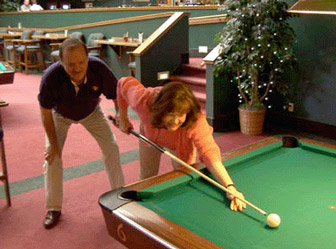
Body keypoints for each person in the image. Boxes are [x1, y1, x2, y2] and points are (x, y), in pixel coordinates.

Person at [116, 76, 247, 212]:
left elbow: (209, 152)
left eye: (181, 114)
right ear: (160, 110)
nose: (176, 120)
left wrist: (230, 186)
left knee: (184, 175)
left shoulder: (195, 120)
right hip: (151, 133)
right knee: (146, 175)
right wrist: (123, 117)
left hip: (180, 143)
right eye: (171, 114)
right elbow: (122, 83)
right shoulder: (143, 100)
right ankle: (137, 212)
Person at [38, 38, 125, 229]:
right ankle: (53, 208)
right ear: (61, 62)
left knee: (111, 147)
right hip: (59, 115)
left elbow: (117, 93)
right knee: (52, 157)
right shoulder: (50, 77)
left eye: (82, 62)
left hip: (92, 112)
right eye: (71, 64)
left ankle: (120, 197)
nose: (77, 68)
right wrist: (53, 144)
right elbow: (45, 113)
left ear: (88, 58)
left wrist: (120, 114)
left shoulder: (99, 68)